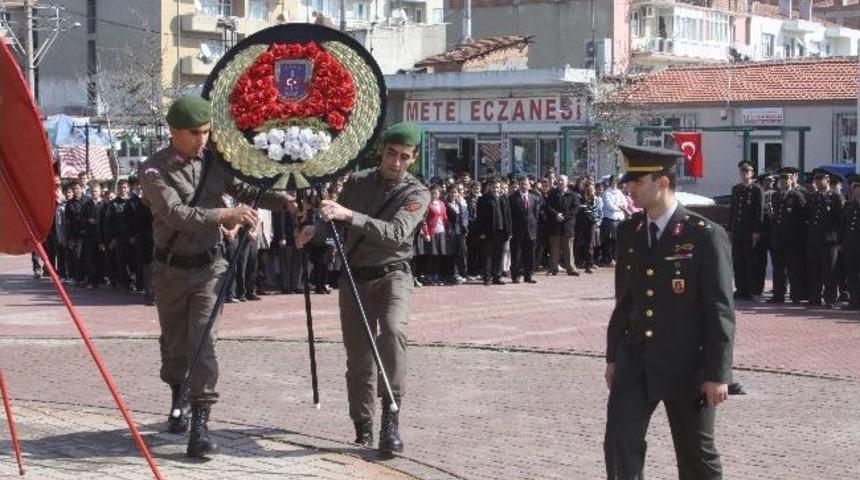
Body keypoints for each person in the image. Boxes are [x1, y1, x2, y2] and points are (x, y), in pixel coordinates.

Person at [140, 96, 292, 458]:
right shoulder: (153, 170)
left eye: (207, 132)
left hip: (210, 267)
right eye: (194, 132)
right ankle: (178, 393)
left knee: (204, 344)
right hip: (170, 271)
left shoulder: (214, 163)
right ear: (174, 131)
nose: (202, 139)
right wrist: (224, 215)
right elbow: (176, 214)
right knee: (176, 345)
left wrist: (284, 199)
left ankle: (201, 425)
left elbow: (246, 191)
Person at [296, 122, 430, 457]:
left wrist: (349, 215)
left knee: (393, 332)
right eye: (390, 154)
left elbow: (395, 233)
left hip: (393, 275)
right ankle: (363, 424)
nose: (395, 162)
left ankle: (391, 417)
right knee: (358, 357)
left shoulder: (416, 193)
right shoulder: (356, 183)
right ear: (381, 151)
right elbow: (334, 224)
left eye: (403, 157)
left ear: (412, 158)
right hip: (354, 276)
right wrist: (315, 230)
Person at [604, 144, 735, 480]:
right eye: (627, 181)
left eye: (637, 180)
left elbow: (719, 309)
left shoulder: (704, 236)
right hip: (636, 359)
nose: (629, 187)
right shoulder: (629, 232)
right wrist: (613, 357)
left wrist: (717, 373)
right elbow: (626, 301)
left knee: (696, 456)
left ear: (662, 182)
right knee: (620, 440)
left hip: (688, 362)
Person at [805, 168, 845, 307]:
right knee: (813, 270)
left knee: (829, 271)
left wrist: (837, 237)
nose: (817, 181)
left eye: (820, 178)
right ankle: (815, 298)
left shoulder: (835, 196)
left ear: (827, 180)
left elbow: (841, 219)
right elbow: (808, 217)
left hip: (829, 240)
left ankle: (830, 299)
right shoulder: (813, 196)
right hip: (814, 239)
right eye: (816, 178)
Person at [768, 167, 807, 304]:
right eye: (782, 180)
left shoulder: (797, 195)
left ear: (791, 180)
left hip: (793, 238)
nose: (784, 182)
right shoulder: (776, 196)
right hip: (778, 238)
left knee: (793, 268)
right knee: (778, 268)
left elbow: (803, 218)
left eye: (787, 179)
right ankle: (778, 294)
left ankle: (796, 295)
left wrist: (799, 237)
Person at [728, 161, 765, 301]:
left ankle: (752, 289)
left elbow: (759, 212)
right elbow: (733, 210)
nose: (745, 174)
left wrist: (757, 231)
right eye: (742, 171)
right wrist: (730, 229)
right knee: (738, 261)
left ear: (752, 173)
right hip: (738, 230)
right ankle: (741, 288)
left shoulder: (757, 189)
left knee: (751, 261)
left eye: (747, 171)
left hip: (750, 231)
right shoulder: (736, 189)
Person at [545, 175, 580, 276]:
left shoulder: (573, 195)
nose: (560, 182)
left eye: (562, 181)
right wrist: (556, 215)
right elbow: (548, 207)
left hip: (567, 225)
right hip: (555, 225)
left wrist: (564, 216)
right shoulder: (552, 194)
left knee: (568, 248)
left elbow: (575, 208)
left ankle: (571, 268)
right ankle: (553, 268)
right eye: (559, 180)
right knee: (554, 248)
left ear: (567, 182)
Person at [508, 176, 541, 284]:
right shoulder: (512, 198)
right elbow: (510, 215)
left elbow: (536, 214)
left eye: (526, 184)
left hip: (531, 230)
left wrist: (535, 227)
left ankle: (528, 275)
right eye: (522, 184)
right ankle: (515, 276)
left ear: (529, 185)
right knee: (516, 254)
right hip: (517, 230)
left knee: (530, 254)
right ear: (519, 185)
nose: (524, 186)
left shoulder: (534, 197)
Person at [841, 174, 860, 310]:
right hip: (850, 245)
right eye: (853, 187)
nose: (854, 190)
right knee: (852, 275)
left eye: (857, 187)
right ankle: (854, 301)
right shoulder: (850, 205)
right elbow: (844, 226)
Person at [600, 175, 626, 266]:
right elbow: (609, 205)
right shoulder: (606, 193)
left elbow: (625, 203)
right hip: (610, 219)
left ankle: (616, 257)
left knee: (618, 240)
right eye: (613, 181)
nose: (615, 183)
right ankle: (609, 258)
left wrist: (620, 206)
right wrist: (619, 207)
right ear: (610, 182)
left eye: (616, 181)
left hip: (620, 218)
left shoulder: (619, 192)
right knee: (610, 240)